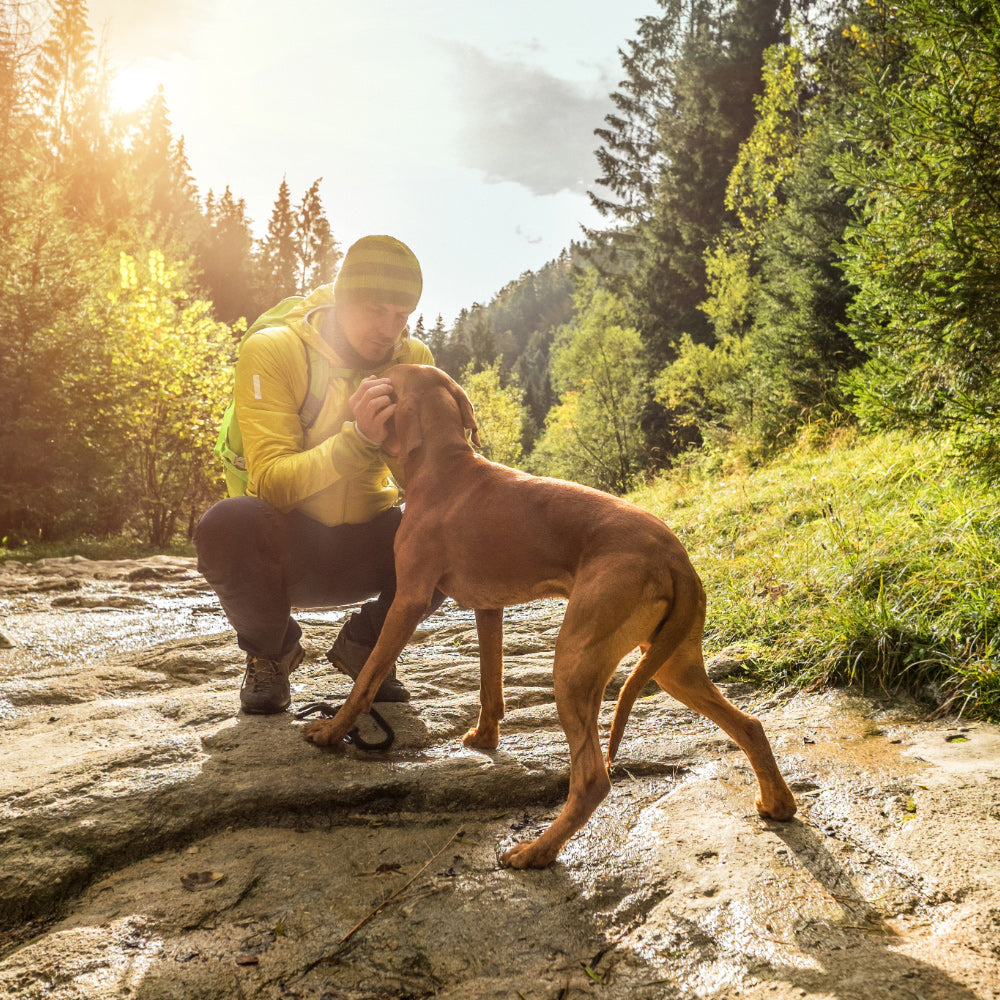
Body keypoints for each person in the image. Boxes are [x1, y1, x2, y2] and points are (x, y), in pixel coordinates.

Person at [195, 235, 443, 714]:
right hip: (290, 544)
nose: (389, 330)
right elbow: (268, 481)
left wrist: (398, 452)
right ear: (342, 296)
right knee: (225, 524)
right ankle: (271, 653)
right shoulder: (276, 350)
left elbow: (432, 483)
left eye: (401, 316)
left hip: (374, 542)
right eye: (376, 310)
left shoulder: (413, 361)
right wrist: (357, 442)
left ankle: (369, 645)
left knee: (458, 523)